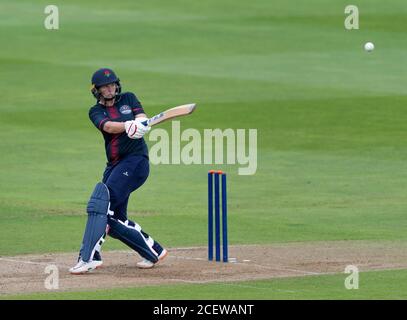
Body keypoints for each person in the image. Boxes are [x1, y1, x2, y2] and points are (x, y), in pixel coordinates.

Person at [69, 68, 167, 274]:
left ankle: (89, 257)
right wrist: (128, 125)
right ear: (96, 90)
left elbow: (141, 116)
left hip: (135, 162)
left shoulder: (128, 98)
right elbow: (109, 127)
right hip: (114, 165)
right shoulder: (95, 111)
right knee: (113, 221)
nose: (110, 88)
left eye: (112, 84)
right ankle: (153, 251)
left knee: (99, 207)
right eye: (105, 86)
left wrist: (140, 124)